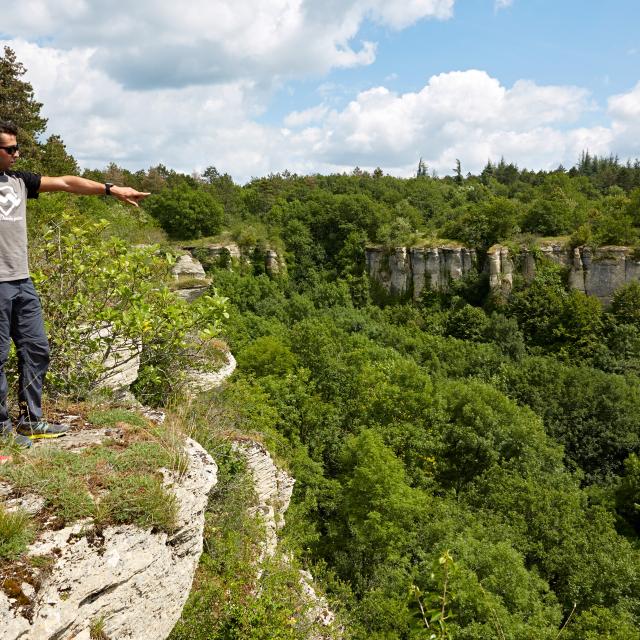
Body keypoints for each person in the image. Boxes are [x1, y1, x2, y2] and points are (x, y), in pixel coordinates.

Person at [0, 119, 150, 447]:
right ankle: (1, 432)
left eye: (17, 147)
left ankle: (29, 421)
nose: (17, 153)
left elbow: (68, 182)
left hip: (22, 281)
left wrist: (112, 190)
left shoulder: (20, 181)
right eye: (10, 148)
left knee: (37, 349)